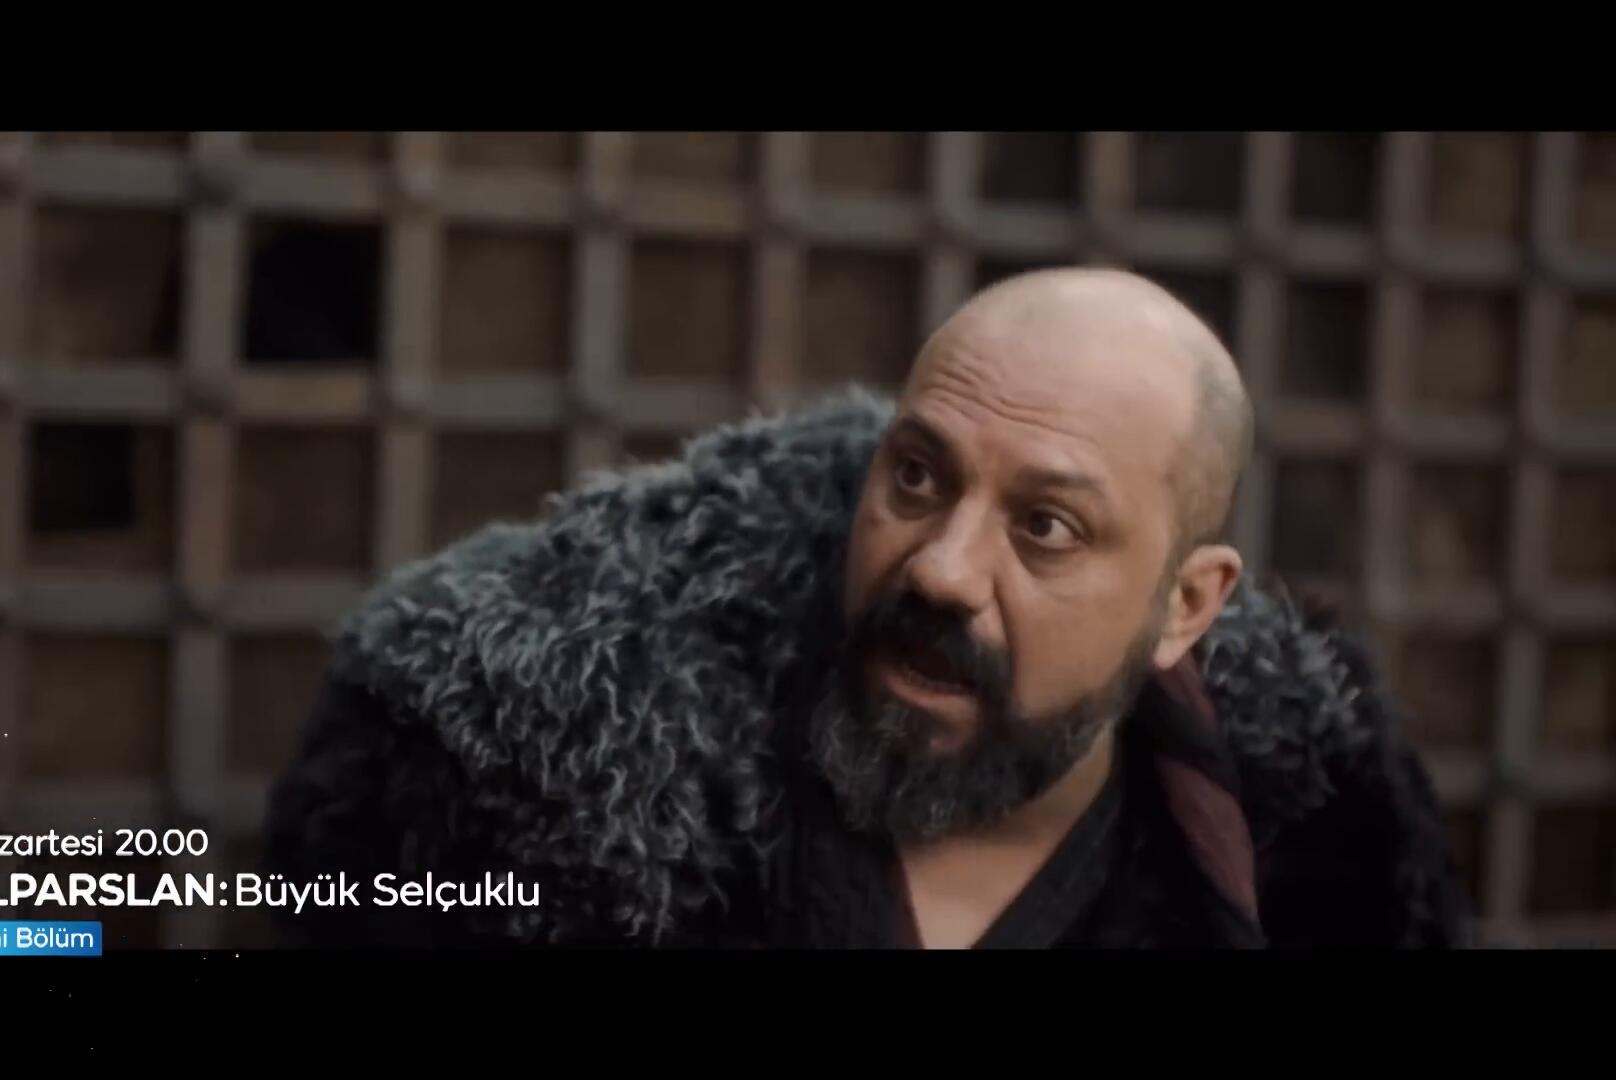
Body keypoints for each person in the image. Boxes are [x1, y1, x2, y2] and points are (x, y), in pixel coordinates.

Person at [262, 267, 1470, 948]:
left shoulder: (1317, 866)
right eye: (919, 477)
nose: (941, 570)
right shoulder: (530, 799)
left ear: (1186, 607)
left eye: (1046, 527)